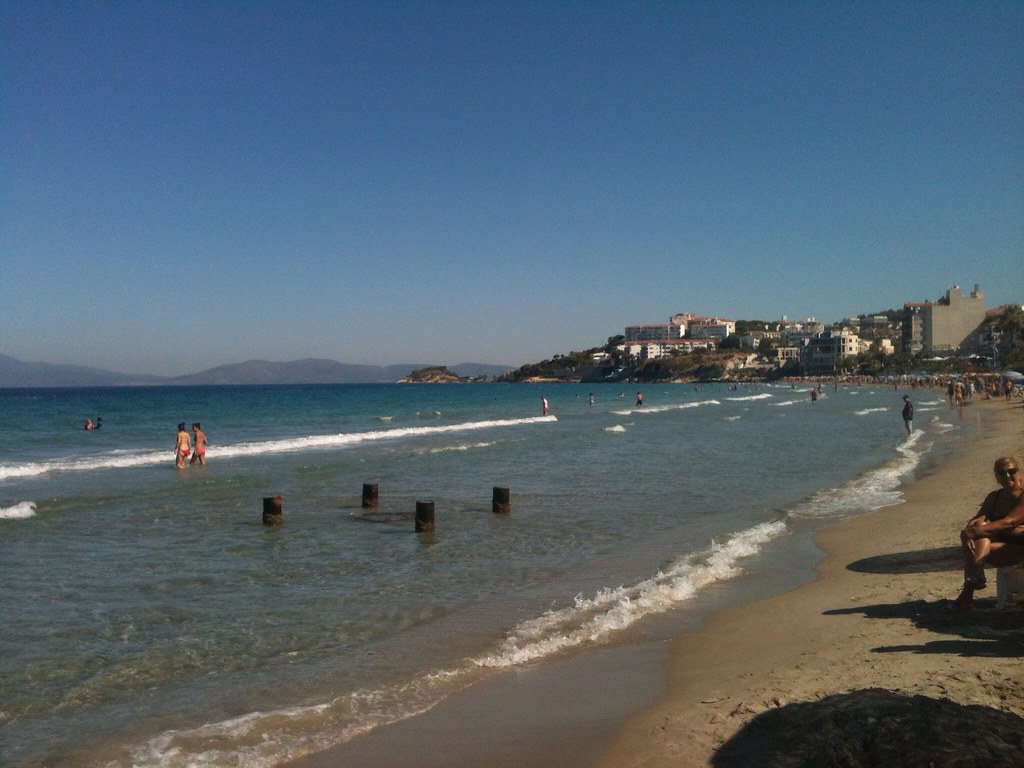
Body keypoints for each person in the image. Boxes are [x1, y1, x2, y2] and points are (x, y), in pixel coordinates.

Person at [952, 456, 1024, 608]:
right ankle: (977, 578)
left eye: (1011, 471)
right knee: (979, 531)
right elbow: (977, 519)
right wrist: (968, 532)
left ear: (1018, 472)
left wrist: (974, 532)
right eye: (1001, 473)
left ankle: (967, 594)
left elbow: (1008, 522)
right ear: (996, 476)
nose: (1007, 476)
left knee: (979, 536)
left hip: (1020, 547)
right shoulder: (995, 497)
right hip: (1001, 545)